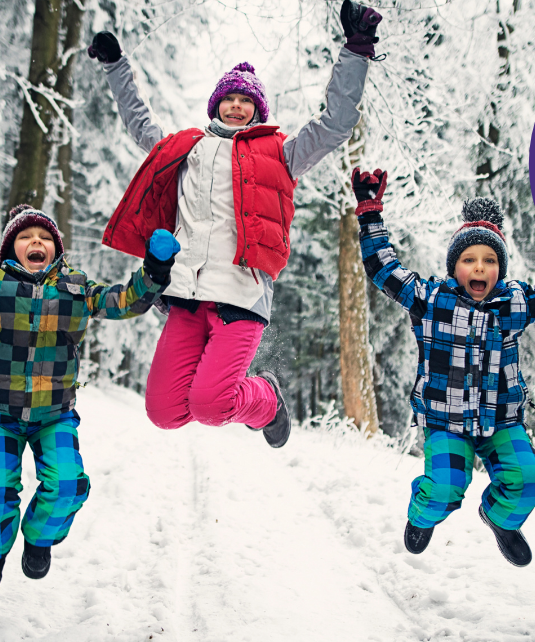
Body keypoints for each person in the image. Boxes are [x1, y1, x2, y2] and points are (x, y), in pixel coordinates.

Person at [86, 1, 384, 448]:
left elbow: (334, 125)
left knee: (211, 405)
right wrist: (115, 65)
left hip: (240, 296)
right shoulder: (185, 148)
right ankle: (251, 396)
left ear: (257, 110)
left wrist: (357, 50)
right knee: (164, 412)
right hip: (186, 295)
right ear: (216, 104)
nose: (237, 106)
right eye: (230, 98)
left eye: (246, 101)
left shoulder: (280, 154)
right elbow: (138, 122)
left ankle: (266, 398)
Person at [0, 195, 177, 597]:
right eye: (26, 236)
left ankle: (38, 539)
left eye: (45, 237)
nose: (36, 242)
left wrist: (155, 269)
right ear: (10, 247)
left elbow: (125, 301)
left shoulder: (76, 288)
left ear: (55, 248)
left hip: (54, 414)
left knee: (69, 483)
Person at [349, 168, 535, 566]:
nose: (479, 268)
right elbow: (383, 269)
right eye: (468, 259)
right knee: (444, 487)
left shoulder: (514, 304)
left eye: (489, 260)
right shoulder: (430, 300)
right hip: (446, 421)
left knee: (528, 481)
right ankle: (423, 516)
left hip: (501, 422)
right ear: (453, 266)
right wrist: (370, 214)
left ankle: (499, 518)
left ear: (501, 269)